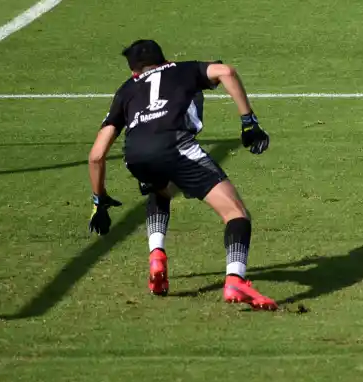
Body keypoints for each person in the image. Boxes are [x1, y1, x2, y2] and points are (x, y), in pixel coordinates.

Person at [86, 39, 277, 311]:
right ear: (164, 60)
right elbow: (227, 72)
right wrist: (249, 122)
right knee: (236, 214)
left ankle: (156, 254)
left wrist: (99, 200)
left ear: (133, 72)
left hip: (136, 157)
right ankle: (235, 279)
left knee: (160, 190)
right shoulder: (182, 69)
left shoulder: (126, 90)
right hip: (175, 147)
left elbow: (96, 155)